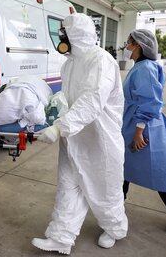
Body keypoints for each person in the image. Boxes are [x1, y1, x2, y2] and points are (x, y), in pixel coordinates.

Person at [32, 13, 128, 254]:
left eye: (65, 34)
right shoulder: (69, 64)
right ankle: (61, 237)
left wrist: (59, 127)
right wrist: (53, 111)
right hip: (74, 137)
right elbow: (69, 97)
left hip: (100, 139)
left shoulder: (101, 61)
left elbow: (92, 100)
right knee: (68, 185)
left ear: (77, 36)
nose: (61, 39)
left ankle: (114, 229)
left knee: (104, 188)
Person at [121, 30, 166, 214]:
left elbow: (150, 101)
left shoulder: (145, 68)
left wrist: (139, 131)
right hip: (136, 123)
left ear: (138, 46)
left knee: (159, 172)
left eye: (128, 43)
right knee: (123, 168)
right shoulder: (142, 66)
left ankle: (116, 206)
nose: (126, 46)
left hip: (142, 126)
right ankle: (116, 208)